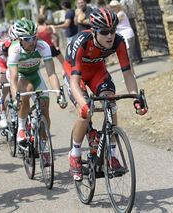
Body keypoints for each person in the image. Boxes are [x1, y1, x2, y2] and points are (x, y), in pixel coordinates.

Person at [63, 8, 147, 181]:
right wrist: (84, 104)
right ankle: (75, 153)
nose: (110, 36)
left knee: (111, 103)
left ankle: (112, 155)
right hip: (75, 75)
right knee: (85, 112)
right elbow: (73, 81)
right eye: (104, 32)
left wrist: (135, 98)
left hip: (97, 73)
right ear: (94, 31)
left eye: (113, 31)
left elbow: (128, 74)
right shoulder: (81, 42)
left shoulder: (118, 41)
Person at [8, 19, 67, 145]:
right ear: (20, 40)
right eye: (27, 39)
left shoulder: (43, 46)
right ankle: (21, 128)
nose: (32, 42)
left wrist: (59, 94)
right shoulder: (14, 49)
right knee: (28, 90)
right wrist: (15, 97)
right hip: (20, 75)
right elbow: (13, 77)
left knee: (45, 108)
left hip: (35, 74)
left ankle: (43, 144)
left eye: (34, 38)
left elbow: (51, 73)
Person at [109, 0, 136, 76]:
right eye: (111, 7)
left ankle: (132, 74)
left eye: (114, 7)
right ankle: (131, 74)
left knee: (128, 57)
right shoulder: (116, 14)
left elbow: (113, 24)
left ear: (118, 6)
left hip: (127, 35)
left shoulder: (120, 14)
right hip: (123, 35)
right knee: (126, 57)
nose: (113, 8)